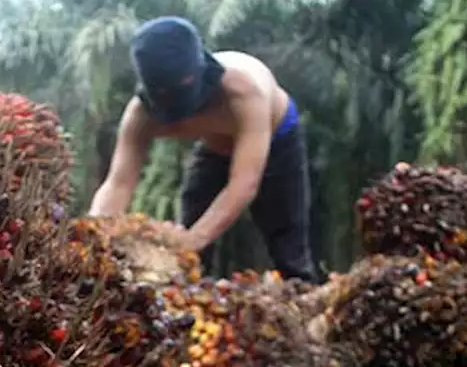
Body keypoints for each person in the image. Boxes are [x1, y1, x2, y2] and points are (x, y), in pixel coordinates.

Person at [87, 16, 320, 282]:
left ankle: (303, 297)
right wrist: (94, 235)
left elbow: (244, 183)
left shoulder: (243, 92)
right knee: (193, 229)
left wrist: (189, 242)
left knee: (287, 243)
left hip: (278, 139)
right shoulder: (140, 114)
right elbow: (119, 183)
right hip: (216, 147)